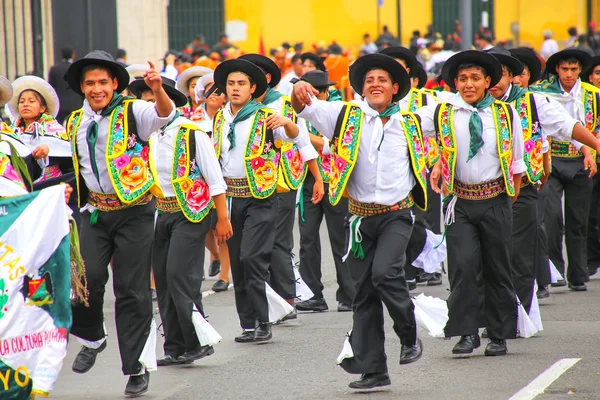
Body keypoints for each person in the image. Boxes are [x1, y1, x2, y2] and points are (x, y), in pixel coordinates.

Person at [292, 53, 425, 389]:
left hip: (397, 215)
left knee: (385, 273)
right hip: (360, 219)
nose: (375, 85)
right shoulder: (345, 116)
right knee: (362, 294)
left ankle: (408, 335)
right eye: (369, 81)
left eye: (382, 80)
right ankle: (374, 369)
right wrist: (302, 87)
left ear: (396, 88)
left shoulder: (412, 121)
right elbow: (304, 106)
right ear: (362, 89)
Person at [64, 50, 176, 396]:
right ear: (82, 87)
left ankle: (137, 368)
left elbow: (164, 113)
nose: (96, 89)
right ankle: (93, 337)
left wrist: (157, 89)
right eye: (90, 83)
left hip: (135, 212)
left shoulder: (133, 112)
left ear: (114, 84)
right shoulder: (75, 122)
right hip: (95, 213)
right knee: (86, 282)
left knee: (131, 291)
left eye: (102, 82)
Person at [418, 50, 524, 356]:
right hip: (460, 201)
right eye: (462, 79)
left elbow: (516, 162)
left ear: (487, 81)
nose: (468, 84)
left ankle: (500, 333)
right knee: (463, 268)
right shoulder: (443, 112)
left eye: (475, 78)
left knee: (497, 268)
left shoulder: (505, 114)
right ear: (455, 83)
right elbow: (405, 123)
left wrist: (507, 200)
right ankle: (466, 332)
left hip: (495, 200)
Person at [486, 47, 600, 315]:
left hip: (523, 186)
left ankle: (519, 314)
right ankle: (487, 314)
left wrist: (594, 146)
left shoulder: (532, 102)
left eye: (498, 74)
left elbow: (567, 126)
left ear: (513, 76)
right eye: (486, 74)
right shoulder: (466, 104)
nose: (491, 81)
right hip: (482, 193)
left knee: (524, 252)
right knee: (487, 256)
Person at [129, 74, 232, 366]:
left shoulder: (192, 132)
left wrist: (222, 218)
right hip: (162, 212)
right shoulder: (146, 136)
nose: (147, 110)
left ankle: (197, 341)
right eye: (144, 103)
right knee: (162, 279)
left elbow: (215, 179)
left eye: (153, 102)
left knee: (178, 275)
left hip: (192, 211)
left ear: (170, 104)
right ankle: (174, 346)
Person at [212, 58, 303, 342]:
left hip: (261, 197)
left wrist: (288, 122)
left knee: (252, 258)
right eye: (231, 84)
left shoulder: (266, 116)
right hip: (231, 198)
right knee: (238, 263)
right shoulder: (220, 117)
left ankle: (264, 320)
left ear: (253, 88)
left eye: (241, 84)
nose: (236, 89)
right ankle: (248, 324)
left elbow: (292, 138)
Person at [238, 53, 323, 318]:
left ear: (262, 80)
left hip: (281, 181)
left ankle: (287, 299)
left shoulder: (283, 105)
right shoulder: (243, 109)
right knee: (259, 245)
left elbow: (302, 142)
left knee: (277, 242)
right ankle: (272, 300)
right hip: (251, 186)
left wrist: (316, 176)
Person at [530, 48, 599, 291]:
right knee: (550, 216)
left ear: (581, 70)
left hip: (582, 162)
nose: (569, 74)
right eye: (564, 69)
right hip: (553, 159)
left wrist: (591, 151)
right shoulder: (542, 93)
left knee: (578, 220)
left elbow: (596, 127)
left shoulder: (593, 96)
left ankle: (578, 274)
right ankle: (555, 270)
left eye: (574, 69)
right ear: (557, 70)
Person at [293, 70, 355, 313]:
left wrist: (304, 137)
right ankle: (313, 294)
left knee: (340, 239)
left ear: (325, 93)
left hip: (334, 182)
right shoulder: (297, 114)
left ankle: (349, 295)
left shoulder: (339, 112)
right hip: (307, 181)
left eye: (311, 92)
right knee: (307, 239)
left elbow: (334, 146)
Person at [194, 73, 232, 292]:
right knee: (206, 228)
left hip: (222, 178)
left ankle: (224, 276)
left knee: (221, 228)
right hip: (199, 180)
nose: (216, 96)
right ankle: (215, 255)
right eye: (211, 92)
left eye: (220, 92)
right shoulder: (195, 119)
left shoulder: (229, 118)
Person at [48, 47, 81, 124]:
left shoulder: (55, 68)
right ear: (73, 55)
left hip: (60, 103)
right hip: (75, 103)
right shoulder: (77, 68)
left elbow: (51, 86)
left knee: (58, 126)